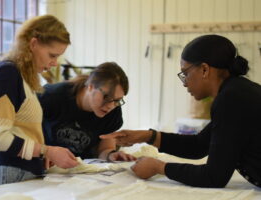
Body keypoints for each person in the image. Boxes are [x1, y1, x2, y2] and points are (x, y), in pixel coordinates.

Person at [100, 34, 261, 188]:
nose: (184, 83)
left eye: (185, 73)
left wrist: (160, 168)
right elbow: (198, 146)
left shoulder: (231, 98)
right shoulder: (238, 91)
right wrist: (147, 136)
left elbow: (213, 176)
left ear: (204, 70)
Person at [0, 15, 79, 190]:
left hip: (20, 174)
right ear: (33, 44)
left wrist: (42, 152)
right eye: (52, 55)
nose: (54, 63)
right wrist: (46, 150)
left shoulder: (23, 78)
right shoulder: (7, 73)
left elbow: (22, 133)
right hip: (8, 176)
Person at [38, 62, 136, 162]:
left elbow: (105, 150)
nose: (111, 106)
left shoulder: (113, 112)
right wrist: (44, 152)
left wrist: (111, 155)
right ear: (90, 86)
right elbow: (25, 134)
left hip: (80, 169)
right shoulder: (51, 96)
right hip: (45, 163)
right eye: (106, 97)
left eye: (117, 100)